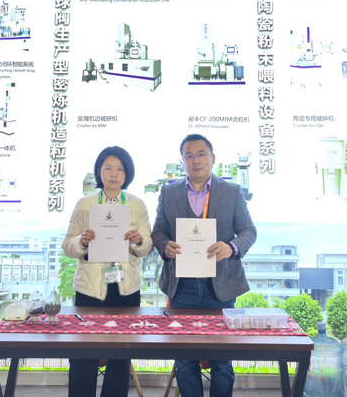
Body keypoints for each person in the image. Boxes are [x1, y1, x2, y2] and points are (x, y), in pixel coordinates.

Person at [151, 133, 257, 397]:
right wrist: (165, 246)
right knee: (185, 360)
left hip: (220, 288)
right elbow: (158, 231)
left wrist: (231, 247)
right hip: (182, 287)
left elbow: (248, 231)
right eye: (189, 156)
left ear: (213, 158)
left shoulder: (232, 192)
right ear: (182, 161)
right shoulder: (168, 192)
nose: (196, 160)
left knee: (222, 360)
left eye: (201, 154)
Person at [62, 146, 153, 397]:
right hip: (90, 290)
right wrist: (82, 241)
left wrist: (139, 240)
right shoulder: (85, 204)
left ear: (127, 173)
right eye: (108, 168)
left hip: (126, 291)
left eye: (120, 169)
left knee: (120, 358)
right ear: (99, 171)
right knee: (83, 356)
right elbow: (67, 245)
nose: (114, 174)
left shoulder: (137, 204)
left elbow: (148, 247)